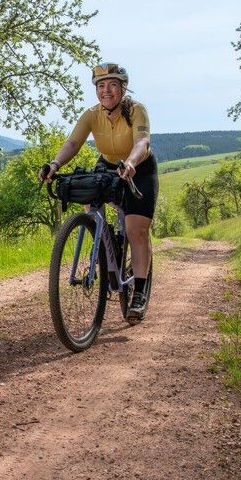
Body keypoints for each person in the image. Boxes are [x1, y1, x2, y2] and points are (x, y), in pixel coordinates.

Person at [40, 62, 159, 321]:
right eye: (101, 86)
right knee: (89, 199)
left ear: (123, 88)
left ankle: (139, 293)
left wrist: (131, 162)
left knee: (136, 230)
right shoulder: (91, 115)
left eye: (113, 85)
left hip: (139, 168)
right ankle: (104, 250)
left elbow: (142, 142)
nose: (106, 91)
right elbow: (73, 142)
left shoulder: (137, 111)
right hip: (107, 165)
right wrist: (55, 164)